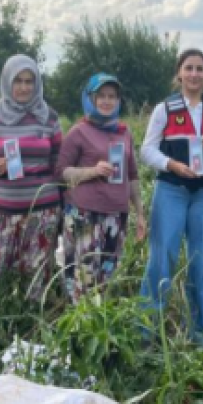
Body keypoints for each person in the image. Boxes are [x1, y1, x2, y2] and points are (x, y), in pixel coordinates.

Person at [140, 48, 203, 346]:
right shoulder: (164, 109)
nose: (194, 74)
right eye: (189, 68)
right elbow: (146, 150)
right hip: (172, 190)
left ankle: (199, 334)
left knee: (201, 263)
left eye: (200, 69)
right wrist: (170, 164)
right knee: (162, 259)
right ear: (179, 73)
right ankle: (146, 334)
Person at [0, 54, 64, 300]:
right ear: (7, 82)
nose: (24, 87)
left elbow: (59, 162)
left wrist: (64, 204)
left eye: (29, 81)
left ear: (37, 84)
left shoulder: (49, 117)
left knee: (36, 274)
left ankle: (32, 318)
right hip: (3, 209)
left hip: (43, 209)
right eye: (18, 81)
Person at [55, 73, 147, 303]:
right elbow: (61, 172)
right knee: (83, 277)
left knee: (108, 276)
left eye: (112, 96)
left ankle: (101, 318)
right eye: (101, 96)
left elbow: (132, 175)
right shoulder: (79, 131)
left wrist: (140, 212)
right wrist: (93, 171)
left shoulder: (124, 132)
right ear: (91, 99)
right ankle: (80, 322)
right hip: (84, 215)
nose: (107, 101)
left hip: (116, 217)